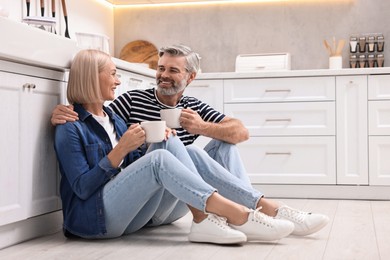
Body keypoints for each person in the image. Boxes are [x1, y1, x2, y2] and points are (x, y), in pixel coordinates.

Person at [52, 46, 329, 240]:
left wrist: (196, 128)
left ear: (190, 77)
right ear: (91, 77)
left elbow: (240, 131)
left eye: (172, 70)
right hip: (96, 218)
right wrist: (122, 148)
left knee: (191, 150)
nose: (119, 80)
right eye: (113, 74)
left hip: (139, 209)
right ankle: (233, 215)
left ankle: (263, 209)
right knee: (164, 155)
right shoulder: (79, 123)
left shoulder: (115, 119)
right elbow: (83, 187)